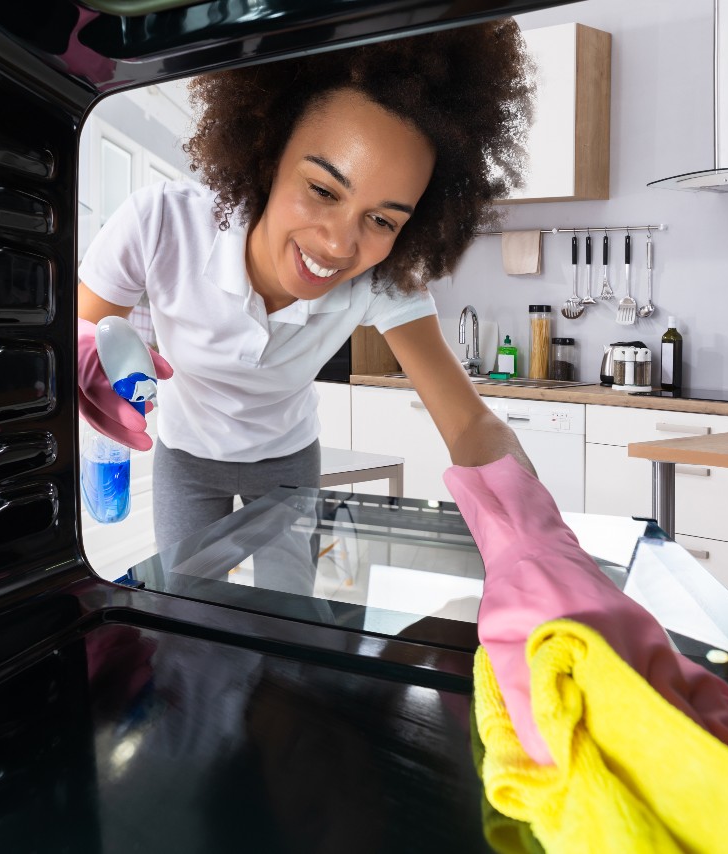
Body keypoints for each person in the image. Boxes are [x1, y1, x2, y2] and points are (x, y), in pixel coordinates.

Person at [77, 19, 536, 553]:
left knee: (289, 607)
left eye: (383, 220)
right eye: (322, 188)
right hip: (186, 456)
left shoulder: (382, 279)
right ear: (269, 156)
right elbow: (84, 332)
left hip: (288, 461)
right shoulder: (161, 223)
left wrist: (538, 537)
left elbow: (469, 423)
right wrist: (80, 355)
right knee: (188, 608)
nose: (341, 246)